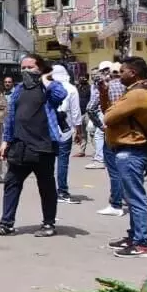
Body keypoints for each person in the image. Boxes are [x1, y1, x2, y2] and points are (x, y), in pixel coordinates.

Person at [0, 54, 67, 238]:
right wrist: (6, 141)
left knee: (46, 187)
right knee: (11, 184)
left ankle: (48, 224)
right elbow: (11, 118)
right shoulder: (18, 90)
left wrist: (46, 80)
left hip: (44, 146)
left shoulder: (47, 89)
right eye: (23, 68)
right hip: (20, 146)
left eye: (30, 67)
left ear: (40, 69)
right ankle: (6, 223)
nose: (26, 71)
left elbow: (61, 95)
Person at [100, 57, 147, 258]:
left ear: (133, 73)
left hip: (131, 151)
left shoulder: (138, 94)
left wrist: (112, 110)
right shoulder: (132, 92)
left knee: (135, 198)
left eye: (122, 71)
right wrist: (104, 94)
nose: (118, 75)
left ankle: (142, 244)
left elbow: (108, 117)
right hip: (126, 151)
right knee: (131, 198)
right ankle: (134, 236)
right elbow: (108, 111)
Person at [90, 62, 127, 216]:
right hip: (129, 132)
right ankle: (129, 199)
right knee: (127, 168)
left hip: (111, 131)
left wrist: (101, 125)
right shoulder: (130, 89)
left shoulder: (105, 88)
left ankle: (116, 204)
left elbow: (90, 108)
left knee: (114, 171)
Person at [51, 65, 82, 205]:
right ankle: (62, 191)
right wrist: (79, 132)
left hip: (49, 131)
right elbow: (76, 113)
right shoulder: (71, 89)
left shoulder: (47, 87)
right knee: (63, 162)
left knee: (48, 162)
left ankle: (49, 191)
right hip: (65, 130)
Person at [75, 74, 93, 157]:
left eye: (84, 78)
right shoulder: (77, 88)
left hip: (88, 113)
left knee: (92, 132)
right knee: (82, 133)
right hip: (79, 112)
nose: (82, 79)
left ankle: (97, 152)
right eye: (80, 78)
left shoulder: (90, 88)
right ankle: (82, 151)